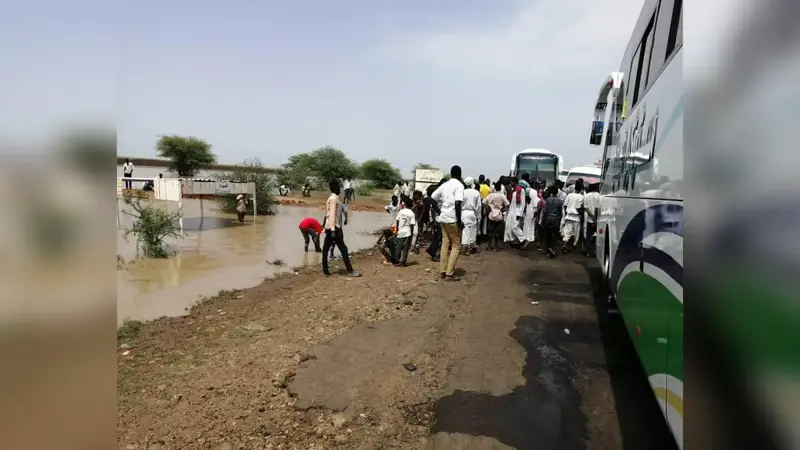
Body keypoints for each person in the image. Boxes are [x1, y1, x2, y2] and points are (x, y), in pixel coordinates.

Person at [431, 166, 465, 281]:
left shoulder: (445, 185)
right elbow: (458, 204)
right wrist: (459, 220)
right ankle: (449, 274)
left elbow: (432, 198)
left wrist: (439, 211)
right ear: (460, 174)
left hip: (443, 218)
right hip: (452, 219)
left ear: (451, 174)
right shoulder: (459, 186)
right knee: (456, 245)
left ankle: (443, 270)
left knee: (445, 244)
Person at [321, 180, 361, 277]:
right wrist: (333, 230)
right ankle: (350, 270)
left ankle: (325, 269)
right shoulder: (334, 199)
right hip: (334, 228)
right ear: (335, 188)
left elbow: (328, 215)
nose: (340, 189)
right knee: (343, 249)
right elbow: (332, 215)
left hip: (331, 228)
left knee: (326, 249)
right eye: (339, 187)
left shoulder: (333, 198)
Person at [483, 181, 509, 250]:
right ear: (500, 188)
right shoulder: (502, 196)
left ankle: (489, 246)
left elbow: (483, 202)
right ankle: (496, 246)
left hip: (491, 214)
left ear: (494, 188)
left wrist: (488, 207)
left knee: (490, 231)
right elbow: (507, 204)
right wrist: (503, 209)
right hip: (499, 215)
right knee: (497, 232)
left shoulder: (491, 195)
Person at [393, 195, 417, 266]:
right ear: (412, 205)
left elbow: (397, 220)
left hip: (401, 231)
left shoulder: (401, 211)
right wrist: (412, 234)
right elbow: (412, 225)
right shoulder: (412, 213)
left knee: (398, 247)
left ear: (405, 204)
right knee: (405, 248)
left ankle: (396, 260)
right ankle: (403, 262)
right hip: (408, 232)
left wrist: (397, 230)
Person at [541, 185, 565, 258]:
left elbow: (545, 211)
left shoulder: (548, 200)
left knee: (548, 234)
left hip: (548, 218)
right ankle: (552, 249)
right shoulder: (560, 201)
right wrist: (560, 219)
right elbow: (560, 212)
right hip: (556, 219)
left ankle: (548, 248)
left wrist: (543, 220)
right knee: (555, 235)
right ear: (557, 192)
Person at [561, 180, 584, 253]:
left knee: (567, 231)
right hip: (576, 217)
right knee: (576, 233)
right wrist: (581, 215)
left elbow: (565, 205)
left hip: (569, 216)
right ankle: (574, 246)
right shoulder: (581, 196)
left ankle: (564, 245)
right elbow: (578, 207)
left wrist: (566, 213)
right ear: (581, 189)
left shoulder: (569, 195)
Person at [460, 177, 481, 254]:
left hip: (463, 213)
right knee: (472, 230)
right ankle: (471, 246)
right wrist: (478, 216)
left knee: (465, 231)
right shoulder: (476, 193)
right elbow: (479, 206)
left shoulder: (462, 192)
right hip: (472, 213)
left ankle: (465, 248)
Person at [582, 182, 602, 257]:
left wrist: (591, 215)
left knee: (588, 235)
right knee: (598, 235)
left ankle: (588, 251)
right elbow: (597, 208)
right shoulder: (599, 196)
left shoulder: (586, 196)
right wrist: (595, 217)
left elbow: (585, 207)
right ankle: (596, 250)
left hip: (589, 219)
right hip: (597, 219)